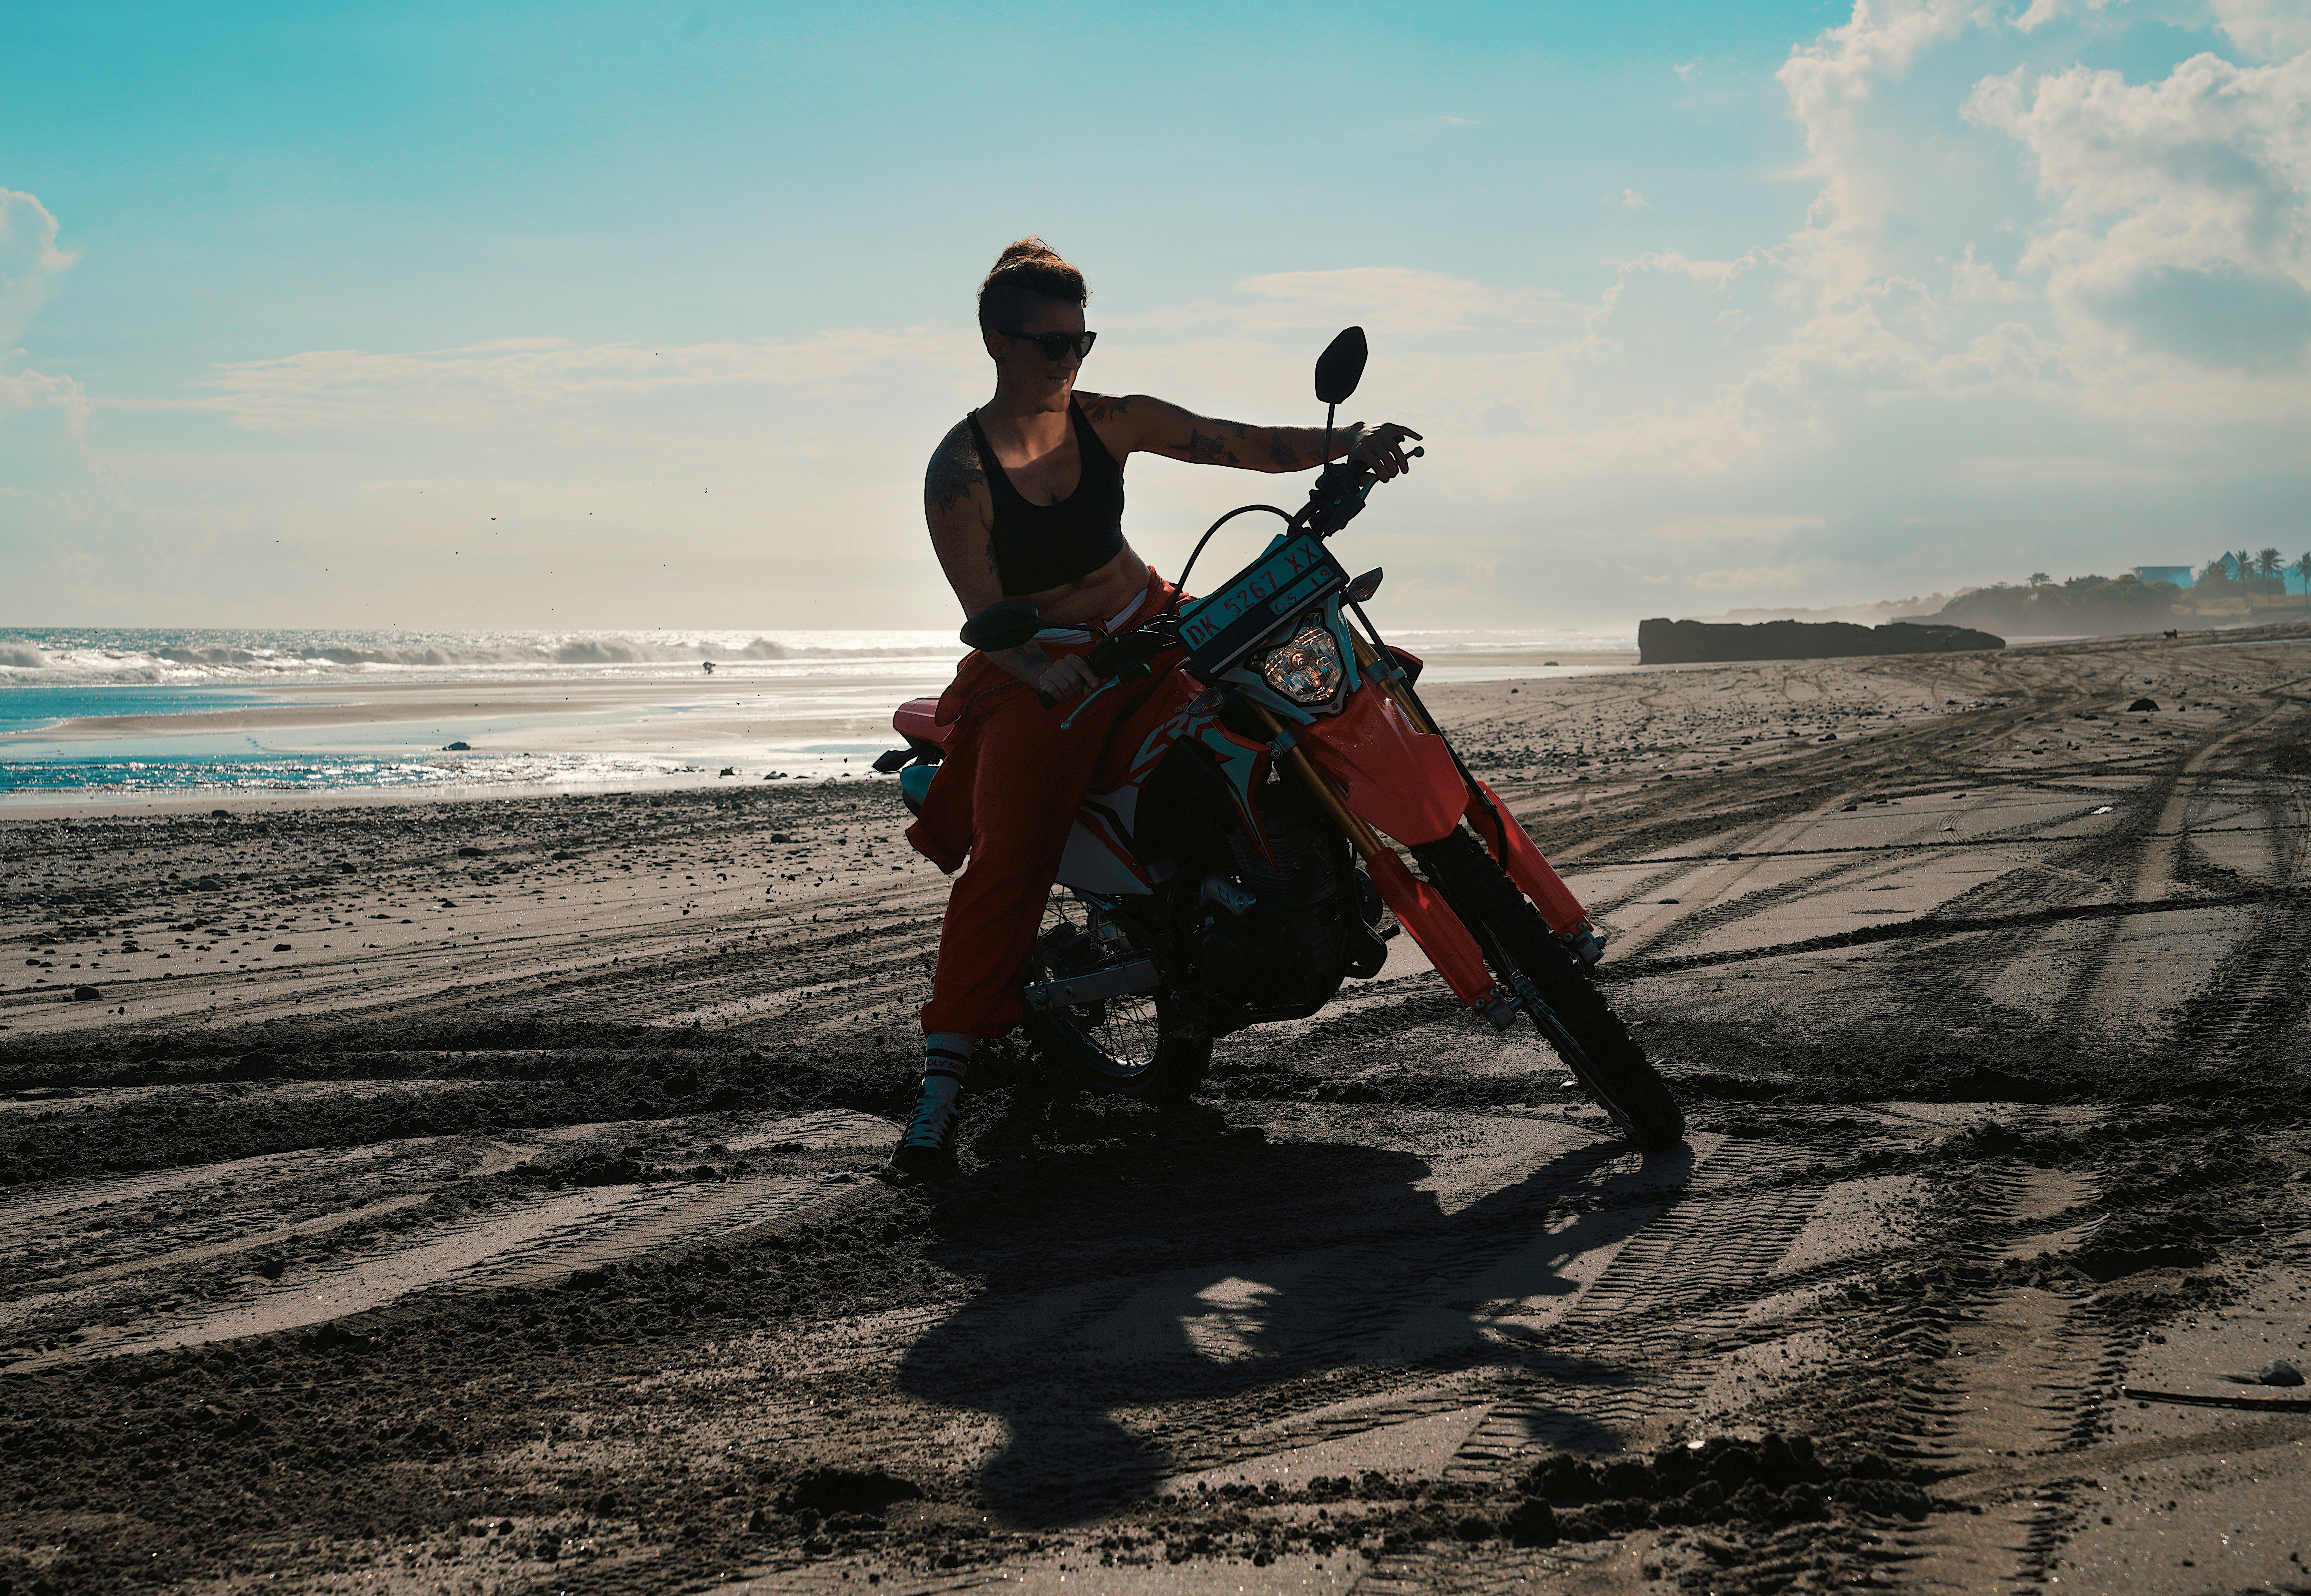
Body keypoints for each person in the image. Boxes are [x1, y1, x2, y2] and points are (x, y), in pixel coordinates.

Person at [887, 238, 1420, 1181]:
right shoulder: (959, 473)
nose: (1069, 359)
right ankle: (943, 1084)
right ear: (996, 342)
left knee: (1315, 689)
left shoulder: (1112, 420)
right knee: (1011, 859)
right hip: (1045, 668)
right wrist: (1038, 667)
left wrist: (1350, 445)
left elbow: (1237, 442)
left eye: (1081, 340)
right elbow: (985, 619)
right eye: (1050, 343)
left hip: (1154, 620)